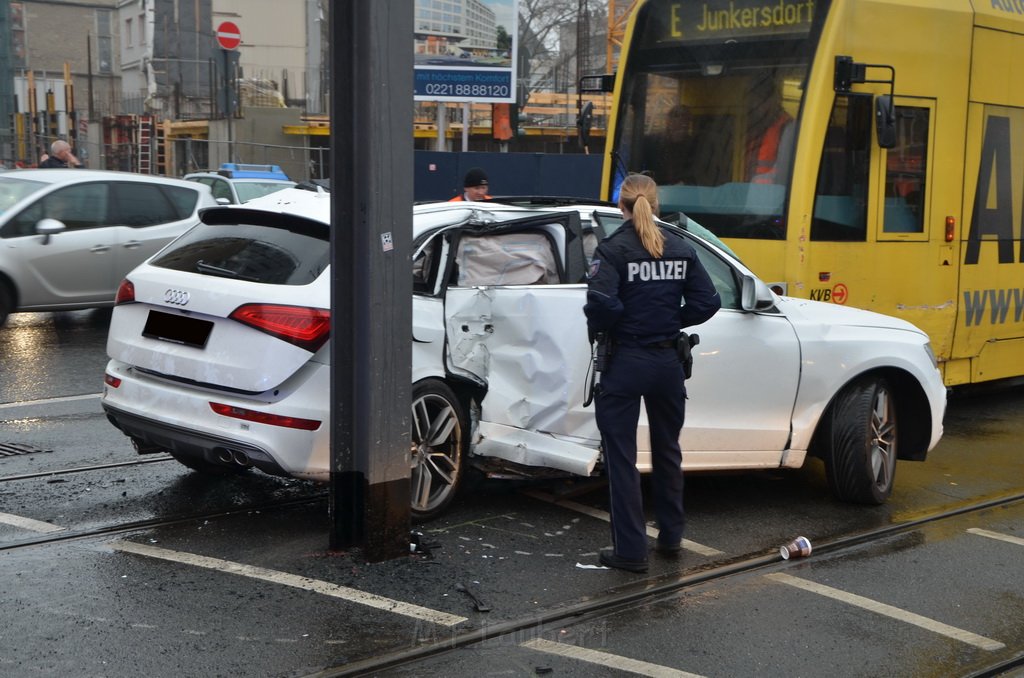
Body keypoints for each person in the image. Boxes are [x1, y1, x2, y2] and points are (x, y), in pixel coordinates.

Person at [583, 173, 721, 573]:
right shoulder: (680, 246)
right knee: (667, 449)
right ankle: (672, 535)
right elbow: (708, 301)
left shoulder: (612, 250)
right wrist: (670, 320)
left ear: (621, 206)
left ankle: (630, 552)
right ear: (655, 204)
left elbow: (600, 304)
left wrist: (625, 323)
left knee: (622, 459)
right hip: (667, 363)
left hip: (626, 361)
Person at [745, 74, 794, 185]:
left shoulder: (787, 128)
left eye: (761, 100)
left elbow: (788, 171)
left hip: (770, 195)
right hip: (744, 193)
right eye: (753, 99)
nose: (755, 105)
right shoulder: (747, 125)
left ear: (773, 99)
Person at [647, 104, 697, 185]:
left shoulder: (694, 146)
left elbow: (695, 172)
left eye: (686, 118)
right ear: (668, 121)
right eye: (677, 116)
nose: (682, 121)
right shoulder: (652, 143)